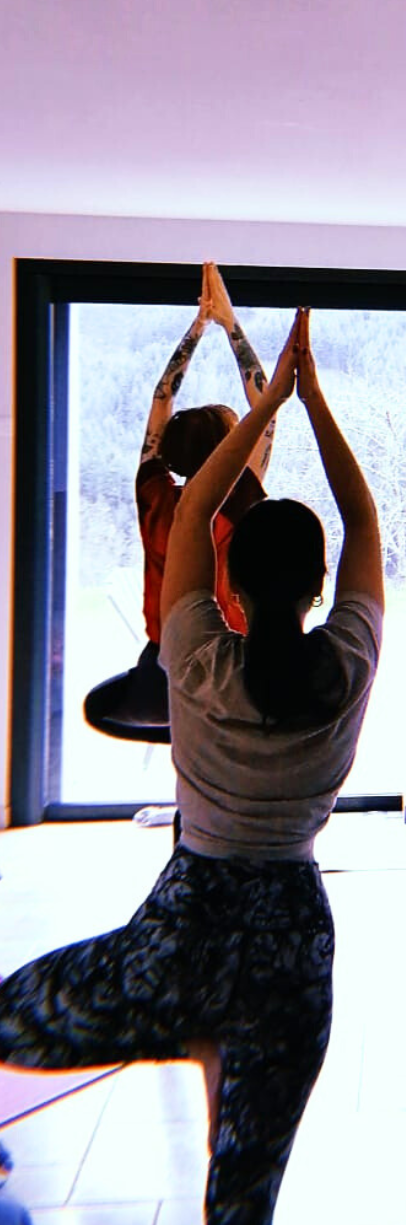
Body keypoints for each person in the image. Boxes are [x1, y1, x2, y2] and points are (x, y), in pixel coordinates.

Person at [1, 308, 383, 1224]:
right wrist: (310, 403)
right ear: (319, 587)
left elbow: (196, 513)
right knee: (241, 1200)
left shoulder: (196, 658)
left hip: (187, 926)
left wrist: (268, 408)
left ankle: (189, 1024)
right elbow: (363, 516)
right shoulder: (346, 668)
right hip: (293, 943)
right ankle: (208, 1035)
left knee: (12, 1016)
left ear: (230, 583)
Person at [84, 262, 272, 736]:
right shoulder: (237, 501)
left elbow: (160, 399)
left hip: (163, 661)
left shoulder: (156, 498)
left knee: (100, 708)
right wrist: (229, 324)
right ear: (227, 452)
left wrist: (197, 329)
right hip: (227, 662)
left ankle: (187, 725)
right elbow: (266, 406)